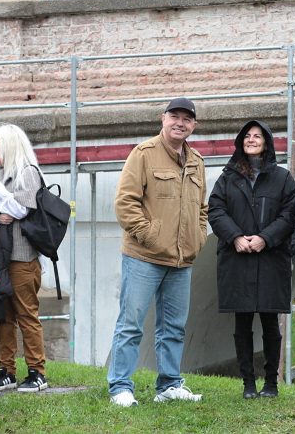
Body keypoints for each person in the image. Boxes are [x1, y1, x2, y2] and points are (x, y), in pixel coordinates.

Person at [108, 97, 208, 407]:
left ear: (194, 125)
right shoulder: (143, 154)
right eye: (174, 116)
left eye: (187, 119)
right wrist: (150, 236)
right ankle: (120, 387)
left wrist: (198, 237)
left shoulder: (197, 162)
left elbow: (202, 208)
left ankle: (169, 385)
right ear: (163, 119)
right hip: (144, 257)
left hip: (182, 260)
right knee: (131, 323)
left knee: (174, 327)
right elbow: (125, 203)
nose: (180, 122)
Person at [208, 120, 295, 400]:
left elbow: (290, 214)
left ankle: (271, 383)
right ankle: (248, 383)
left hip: (270, 259)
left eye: (258, 136)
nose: (252, 139)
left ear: (267, 143)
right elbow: (216, 210)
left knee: (271, 324)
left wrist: (265, 238)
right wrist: (236, 237)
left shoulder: (282, 178)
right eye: (247, 136)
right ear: (240, 142)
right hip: (238, 259)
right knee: (242, 323)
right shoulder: (228, 177)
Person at [0, 124, 50, 393]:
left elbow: (21, 209)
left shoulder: (28, 173)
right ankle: (6, 370)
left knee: (26, 314)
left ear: (11, 146)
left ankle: (37, 371)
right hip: (0, 256)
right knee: (3, 314)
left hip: (23, 256)